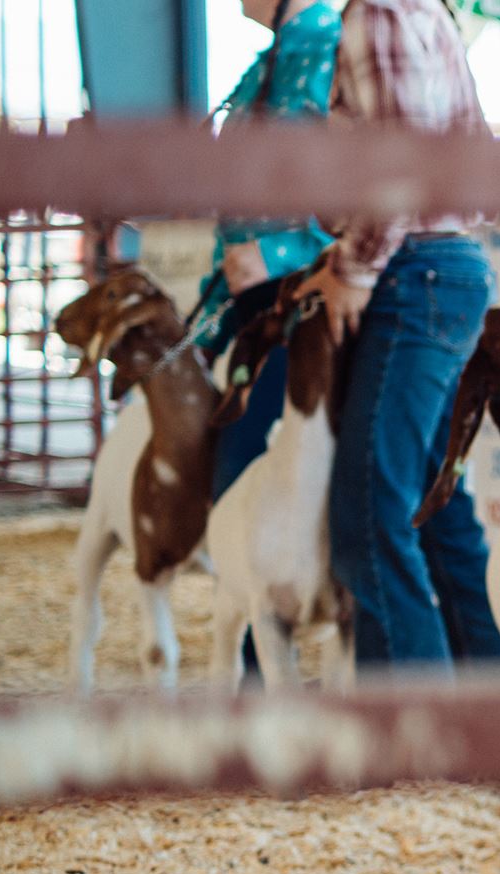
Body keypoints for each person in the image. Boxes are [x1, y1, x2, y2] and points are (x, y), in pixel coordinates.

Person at [292, 0, 500, 669]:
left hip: (412, 273)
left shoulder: (377, 10)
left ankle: (412, 733)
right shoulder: (424, 11)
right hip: (444, 266)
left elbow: (400, 164)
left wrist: (353, 267)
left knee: (369, 508)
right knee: (433, 507)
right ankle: (498, 713)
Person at [202, 0, 342, 502]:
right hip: (255, 298)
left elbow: (347, 173)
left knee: (246, 473)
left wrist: (281, 252)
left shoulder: (324, 40)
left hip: (300, 295)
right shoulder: (283, 51)